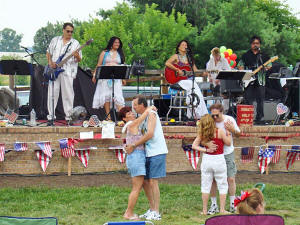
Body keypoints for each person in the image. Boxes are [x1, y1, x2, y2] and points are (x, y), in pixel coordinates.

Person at [125, 95, 168, 221]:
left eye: (135, 105)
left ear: (142, 105)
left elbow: (150, 134)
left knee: (153, 182)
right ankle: (152, 208)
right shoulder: (143, 116)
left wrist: (133, 145)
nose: (133, 108)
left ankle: (157, 211)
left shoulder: (151, 114)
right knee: (146, 182)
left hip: (157, 151)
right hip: (148, 153)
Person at [119, 105, 156, 220]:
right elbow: (142, 118)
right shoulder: (131, 124)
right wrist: (149, 109)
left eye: (131, 112)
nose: (132, 113)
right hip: (136, 157)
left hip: (138, 156)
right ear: (124, 118)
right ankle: (128, 213)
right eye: (128, 113)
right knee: (136, 187)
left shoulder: (132, 125)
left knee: (144, 184)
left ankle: (153, 208)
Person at [203, 103, 241, 214]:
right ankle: (214, 204)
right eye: (212, 115)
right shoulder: (210, 121)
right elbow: (201, 136)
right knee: (213, 180)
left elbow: (239, 135)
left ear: (222, 112)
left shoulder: (229, 120)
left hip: (227, 153)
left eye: (216, 115)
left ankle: (232, 203)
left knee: (230, 179)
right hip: (213, 154)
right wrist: (207, 144)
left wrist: (232, 129)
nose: (214, 118)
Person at [192, 114, 232, 215]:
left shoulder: (203, 134)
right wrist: (229, 133)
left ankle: (205, 210)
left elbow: (194, 146)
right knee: (222, 184)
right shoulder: (220, 131)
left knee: (205, 185)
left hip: (207, 159)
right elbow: (228, 143)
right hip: (219, 159)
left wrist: (206, 149)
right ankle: (222, 209)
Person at [46, 22, 82, 123]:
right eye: (68, 31)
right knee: (52, 93)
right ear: (63, 30)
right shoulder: (55, 40)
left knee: (68, 94)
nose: (70, 33)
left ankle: (69, 117)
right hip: (54, 70)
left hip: (68, 71)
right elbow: (48, 53)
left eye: (71, 32)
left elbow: (79, 59)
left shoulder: (75, 43)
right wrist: (50, 63)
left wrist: (76, 55)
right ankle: (51, 117)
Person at [165, 40, 208, 119]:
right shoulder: (176, 56)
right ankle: (201, 113)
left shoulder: (189, 58)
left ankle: (191, 114)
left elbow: (195, 71)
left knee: (193, 90)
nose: (185, 46)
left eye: (186, 45)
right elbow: (167, 63)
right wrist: (177, 70)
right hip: (178, 80)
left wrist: (202, 74)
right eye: (183, 44)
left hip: (188, 80)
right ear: (179, 47)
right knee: (194, 86)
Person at [238, 35, 271, 123]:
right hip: (248, 78)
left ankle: (260, 118)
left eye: (257, 43)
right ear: (251, 44)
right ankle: (249, 118)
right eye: (253, 43)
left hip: (260, 79)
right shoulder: (245, 55)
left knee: (260, 99)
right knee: (248, 98)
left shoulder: (264, 55)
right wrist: (243, 70)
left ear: (259, 44)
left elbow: (269, 65)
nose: (255, 45)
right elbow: (240, 65)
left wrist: (266, 68)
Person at [92, 36, 126, 120]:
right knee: (106, 96)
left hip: (116, 78)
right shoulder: (104, 52)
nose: (117, 44)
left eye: (118, 43)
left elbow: (123, 67)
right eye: (115, 42)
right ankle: (108, 117)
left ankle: (123, 117)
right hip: (105, 78)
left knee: (118, 96)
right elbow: (99, 65)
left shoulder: (120, 54)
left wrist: (123, 78)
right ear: (111, 43)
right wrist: (94, 75)